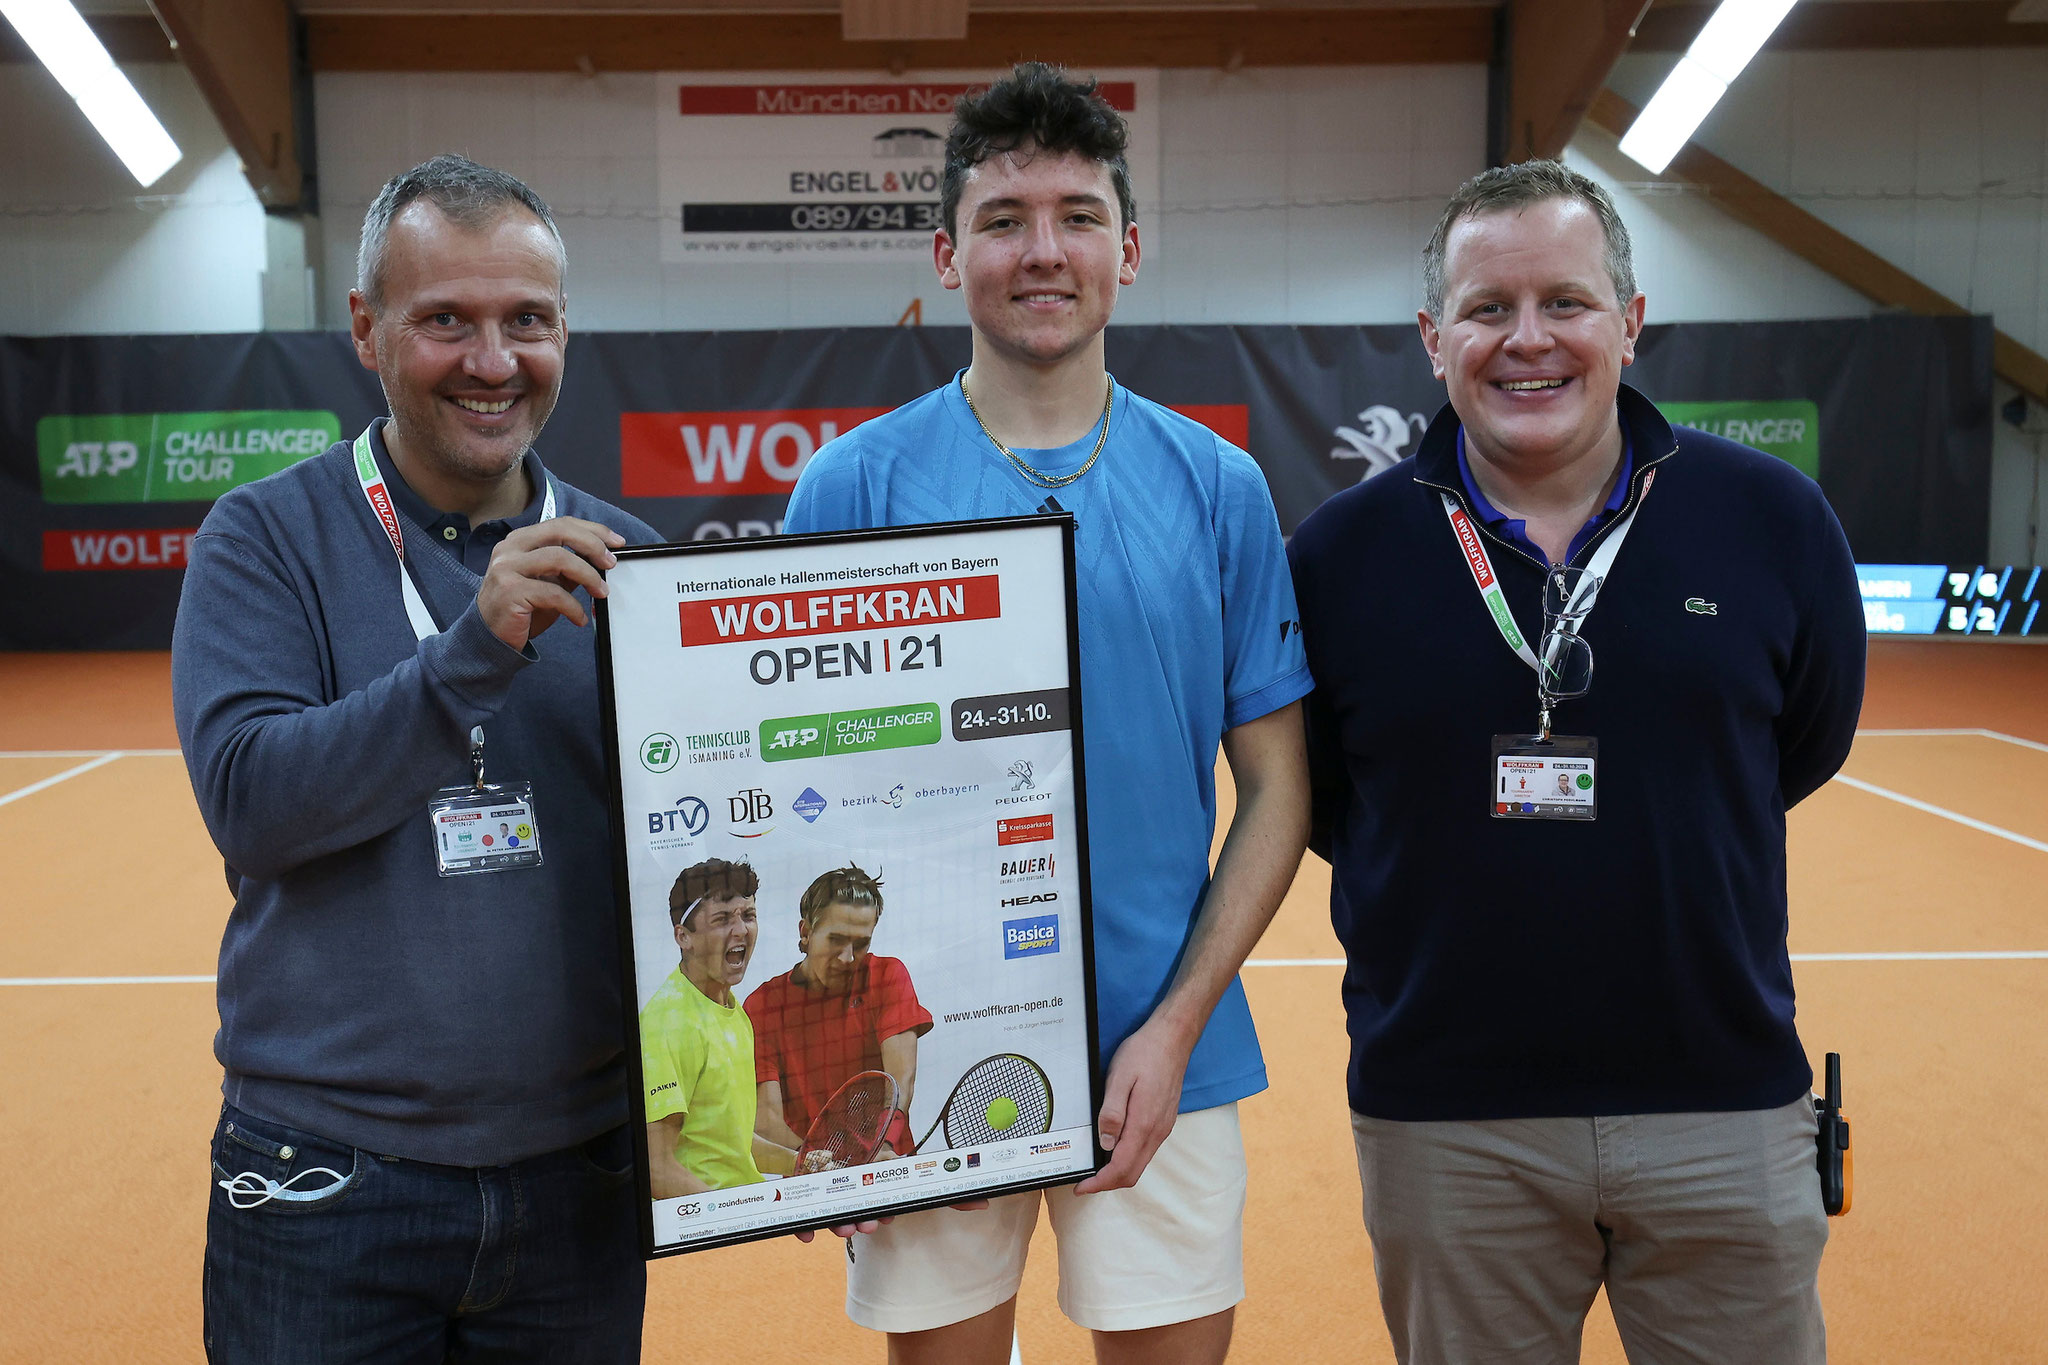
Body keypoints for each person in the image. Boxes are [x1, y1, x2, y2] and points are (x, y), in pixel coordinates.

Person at [1287, 159, 1865, 1365]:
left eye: (1565, 301)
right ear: (1431, 338)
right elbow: (1332, 800)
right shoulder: (1337, 558)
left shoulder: (1772, 521)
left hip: (1723, 1105)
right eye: (1486, 309)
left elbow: (1796, 747)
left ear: (1631, 323)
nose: (1527, 340)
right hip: (1449, 1126)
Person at [783, 61, 1313, 1365]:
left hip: (1165, 1062)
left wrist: (1175, 1024)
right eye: (1003, 218)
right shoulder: (850, 486)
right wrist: (858, 1074)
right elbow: (800, 797)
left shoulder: (1221, 486)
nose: (1042, 250)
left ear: (1128, 252)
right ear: (945, 251)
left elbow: (1282, 791)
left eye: (1077, 216)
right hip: (923, 1068)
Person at [172, 155, 656, 1364]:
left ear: (561, 335)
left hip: (577, 1183)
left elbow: (707, 851)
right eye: (445, 320)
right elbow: (253, 803)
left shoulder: (629, 565)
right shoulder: (263, 539)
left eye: (525, 322)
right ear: (366, 331)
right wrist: (470, 654)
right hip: (325, 1186)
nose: (491, 361)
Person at [745, 864, 932, 1162]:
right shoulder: (762, 1005)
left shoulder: (887, 976)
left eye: (861, 944)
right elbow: (766, 1119)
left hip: (888, 1166)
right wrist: (812, 1163)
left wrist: (883, 1146)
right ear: (806, 932)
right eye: (836, 940)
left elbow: (900, 1081)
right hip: (811, 1183)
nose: (848, 957)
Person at [641, 858, 797, 1195]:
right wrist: (730, 1223)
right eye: (723, 919)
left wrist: (799, 1163)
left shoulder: (734, 1013)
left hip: (747, 1210)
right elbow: (656, 1167)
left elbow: (729, 1144)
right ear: (684, 937)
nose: (740, 930)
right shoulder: (666, 1022)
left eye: (748, 916)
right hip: (714, 1234)